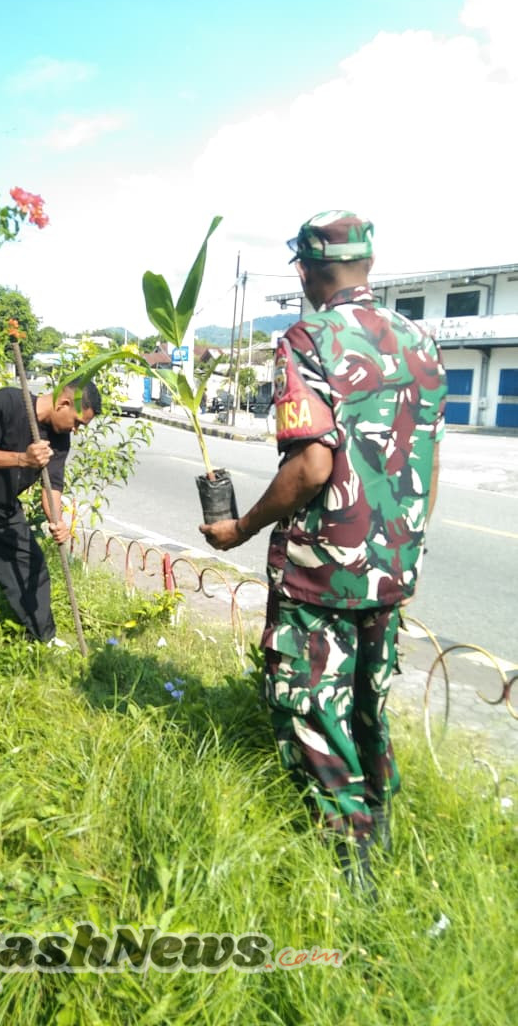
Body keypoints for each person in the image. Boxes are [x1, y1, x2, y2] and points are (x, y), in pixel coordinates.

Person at [200, 210, 447, 891]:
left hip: (325, 571)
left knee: (311, 703)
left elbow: (311, 466)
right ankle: (382, 819)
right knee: (370, 696)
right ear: (368, 265)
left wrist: (239, 529)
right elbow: (429, 464)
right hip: (393, 564)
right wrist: (406, 549)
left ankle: (352, 867)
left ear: (307, 270)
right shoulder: (421, 342)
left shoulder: (309, 339)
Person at [0, 379, 101, 669]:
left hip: (2, 507)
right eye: (77, 423)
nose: (75, 430)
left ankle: (44, 637)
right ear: (63, 403)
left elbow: (53, 488)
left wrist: (57, 522)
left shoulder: (59, 439)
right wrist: (22, 458)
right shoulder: (9, 402)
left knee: (30, 564)